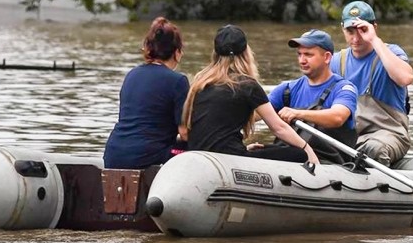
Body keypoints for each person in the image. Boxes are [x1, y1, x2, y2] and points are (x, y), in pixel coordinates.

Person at [180, 24, 320, 167]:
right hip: (229, 158)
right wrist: (307, 150)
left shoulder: (200, 82)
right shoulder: (247, 84)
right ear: (246, 53)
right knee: (298, 154)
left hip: (199, 155)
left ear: (215, 53)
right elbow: (278, 128)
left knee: (264, 148)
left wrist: (244, 149)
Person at [249, 29, 358, 164]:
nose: (302, 60)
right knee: (256, 151)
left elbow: (337, 117)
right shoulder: (287, 89)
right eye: (299, 54)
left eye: (308, 55)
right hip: (292, 156)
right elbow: (254, 115)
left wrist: (297, 113)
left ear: (327, 57)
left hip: (329, 162)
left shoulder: (343, 88)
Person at [330, 1, 413, 166]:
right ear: (342, 28)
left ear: (374, 27)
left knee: (374, 149)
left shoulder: (391, 52)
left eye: (362, 30)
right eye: (350, 31)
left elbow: (405, 78)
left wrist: (374, 40)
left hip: (388, 134)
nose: (356, 38)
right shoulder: (336, 61)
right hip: (349, 138)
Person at [103, 17, 189, 169]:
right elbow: (185, 133)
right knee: (195, 149)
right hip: (146, 156)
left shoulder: (131, 75)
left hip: (113, 153)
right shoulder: (178, 81)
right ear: (177, 52)